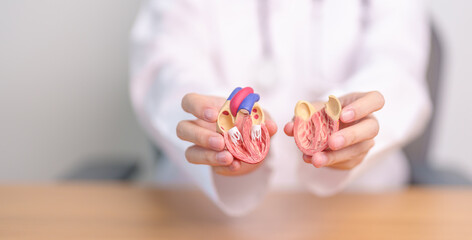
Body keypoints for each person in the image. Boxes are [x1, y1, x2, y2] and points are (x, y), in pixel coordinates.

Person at [130, 0, 432, 216]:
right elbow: (165, 67)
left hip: (362, 211)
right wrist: (217, 124)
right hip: (200, 217)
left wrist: (348, 122)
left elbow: (398, 68)